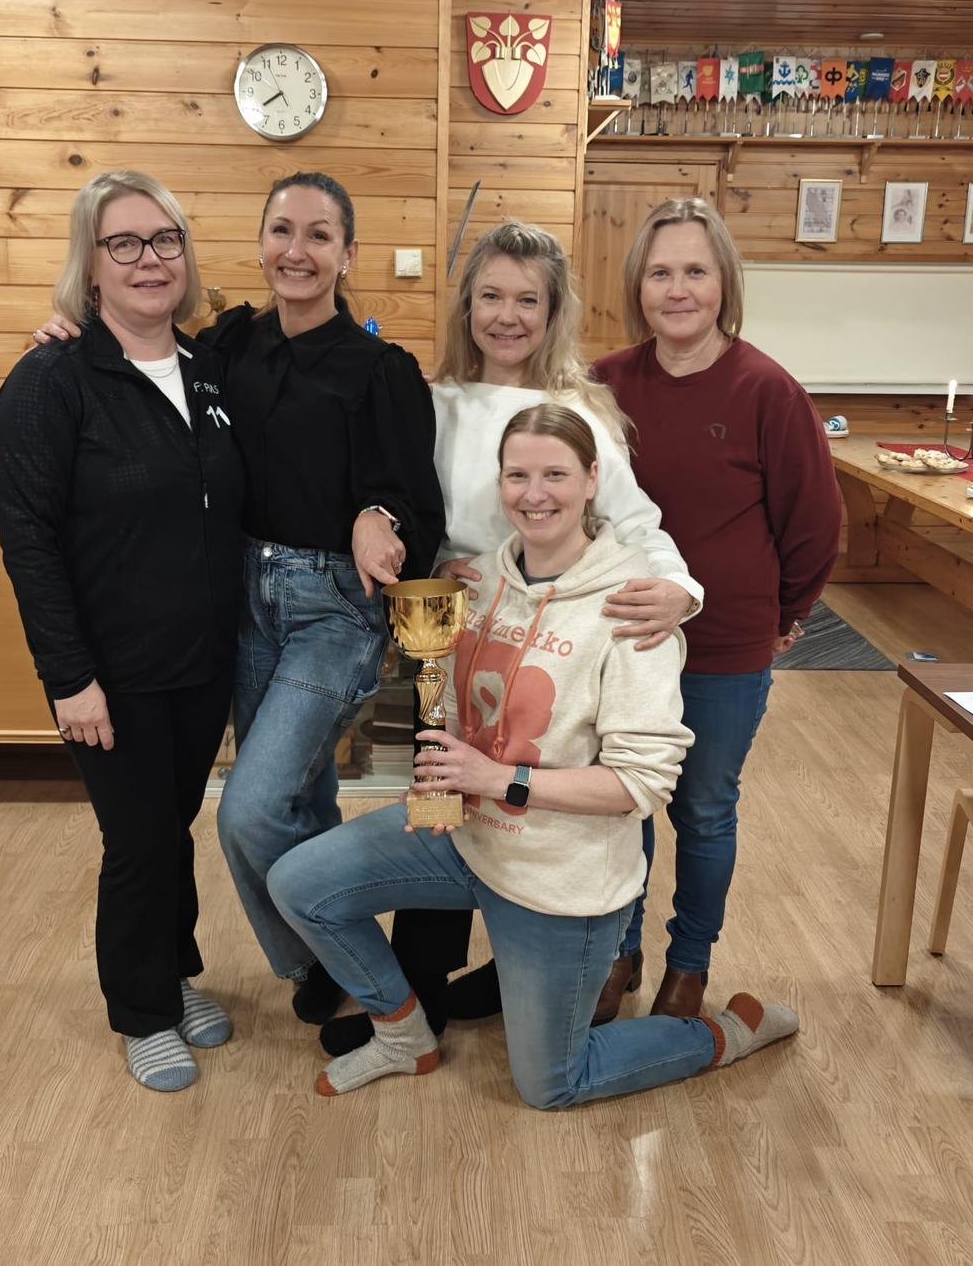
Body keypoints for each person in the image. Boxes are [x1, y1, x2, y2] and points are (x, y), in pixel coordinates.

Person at [265, 405, 799, 1107]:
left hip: (560, 876)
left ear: (592, 480)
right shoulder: (479, 583)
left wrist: (498, 778)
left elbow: (641, 784)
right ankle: (403, 1035)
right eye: (517, 475)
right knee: (298, 882)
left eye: (556, 474)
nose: (534, 493)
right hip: (467, 838)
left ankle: (728, 1032)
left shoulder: (634, 608)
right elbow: (449, 696)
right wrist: (441, 770)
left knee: (550, 1084)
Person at [30, 172, 445, 1031]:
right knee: (300, 797)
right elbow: (137, 366)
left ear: (348, 254)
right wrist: (70, 332)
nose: (298, 251)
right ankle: (324, 965)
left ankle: (340, 959)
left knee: (250, 809)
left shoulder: (382, 370)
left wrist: (379, 515)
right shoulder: (224, 349)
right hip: (241, 600)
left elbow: (413, 499)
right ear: (259, 244)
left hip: (330, 606)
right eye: (282, 230)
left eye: (319, 235)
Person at [319, 220, 704, 1057]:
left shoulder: (582, 413)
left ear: (553, 312)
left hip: (556, 642)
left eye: (528, 300)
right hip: (451, 630)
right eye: (490, 296)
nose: (507, 315)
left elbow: (636, 522)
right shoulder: (433, 402)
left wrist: (682, 588)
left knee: (547, 807)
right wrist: (430, 560)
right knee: (443, 797)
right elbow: (402, 502)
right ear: (467, 305)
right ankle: (421, 990)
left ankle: (550, 963)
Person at [0, 170, 245, 1091]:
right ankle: (140, 1011)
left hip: (200, 659)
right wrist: (68, 677)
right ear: (90, 263)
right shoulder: (50, 381)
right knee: (137, 839)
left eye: (165, 240)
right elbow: (28, 541)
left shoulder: (208, 368)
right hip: (109, 670)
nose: (150, 260)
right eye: (125, 243)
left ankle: (172, 974)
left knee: (171, 826)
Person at [592, 197, 842, 1019]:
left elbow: (816, 525)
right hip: (624, 638)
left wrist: (782, 615)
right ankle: (618, 949)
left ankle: (688, 963)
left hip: (725, 647)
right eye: (660, 272)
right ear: (638, 285)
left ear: (724, 282)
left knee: (702, 809)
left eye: (695, 271)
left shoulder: (768, 390)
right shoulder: (606, 385)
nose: (678, 289)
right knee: (622, 802)